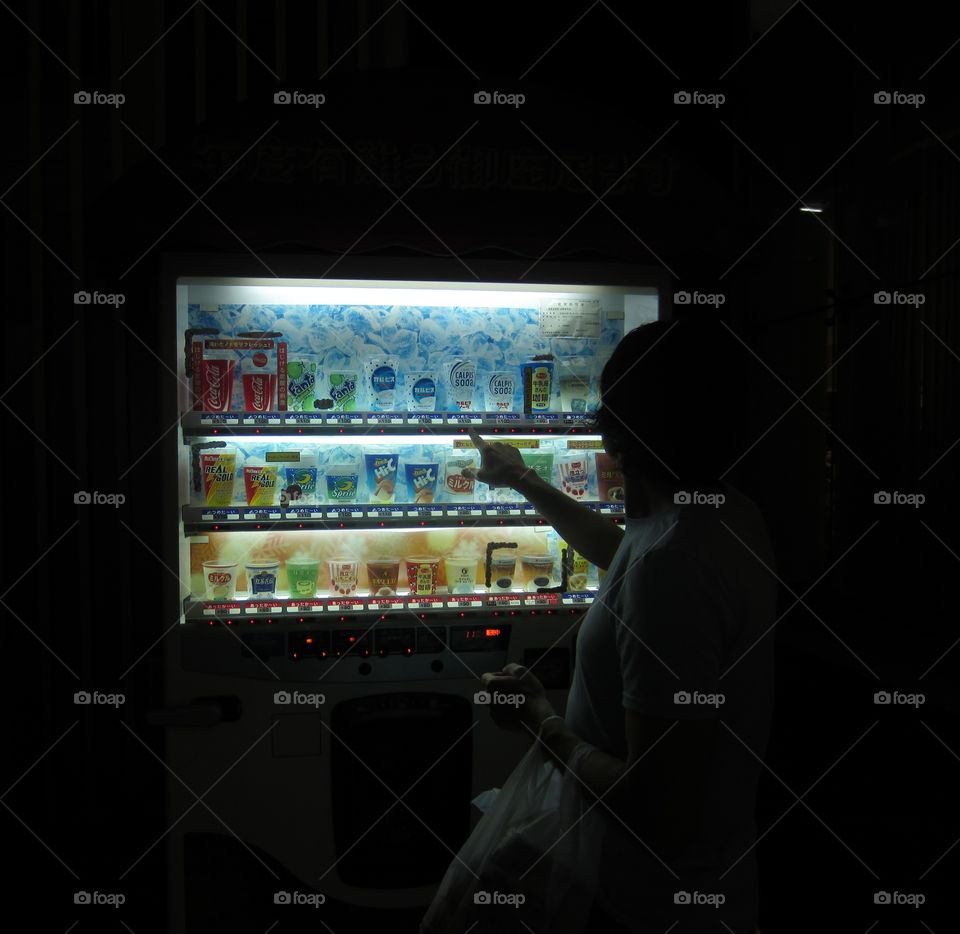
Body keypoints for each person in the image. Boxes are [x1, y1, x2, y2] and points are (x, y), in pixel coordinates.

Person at [461, 317, 777, 934]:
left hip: (646, 903)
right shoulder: (722, 513)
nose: (599, 421)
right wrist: (524, 480)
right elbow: (626, 553)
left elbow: (656, 804)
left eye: (611, 405)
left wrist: (537, 720)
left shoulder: (674, 567)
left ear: (623, 427)